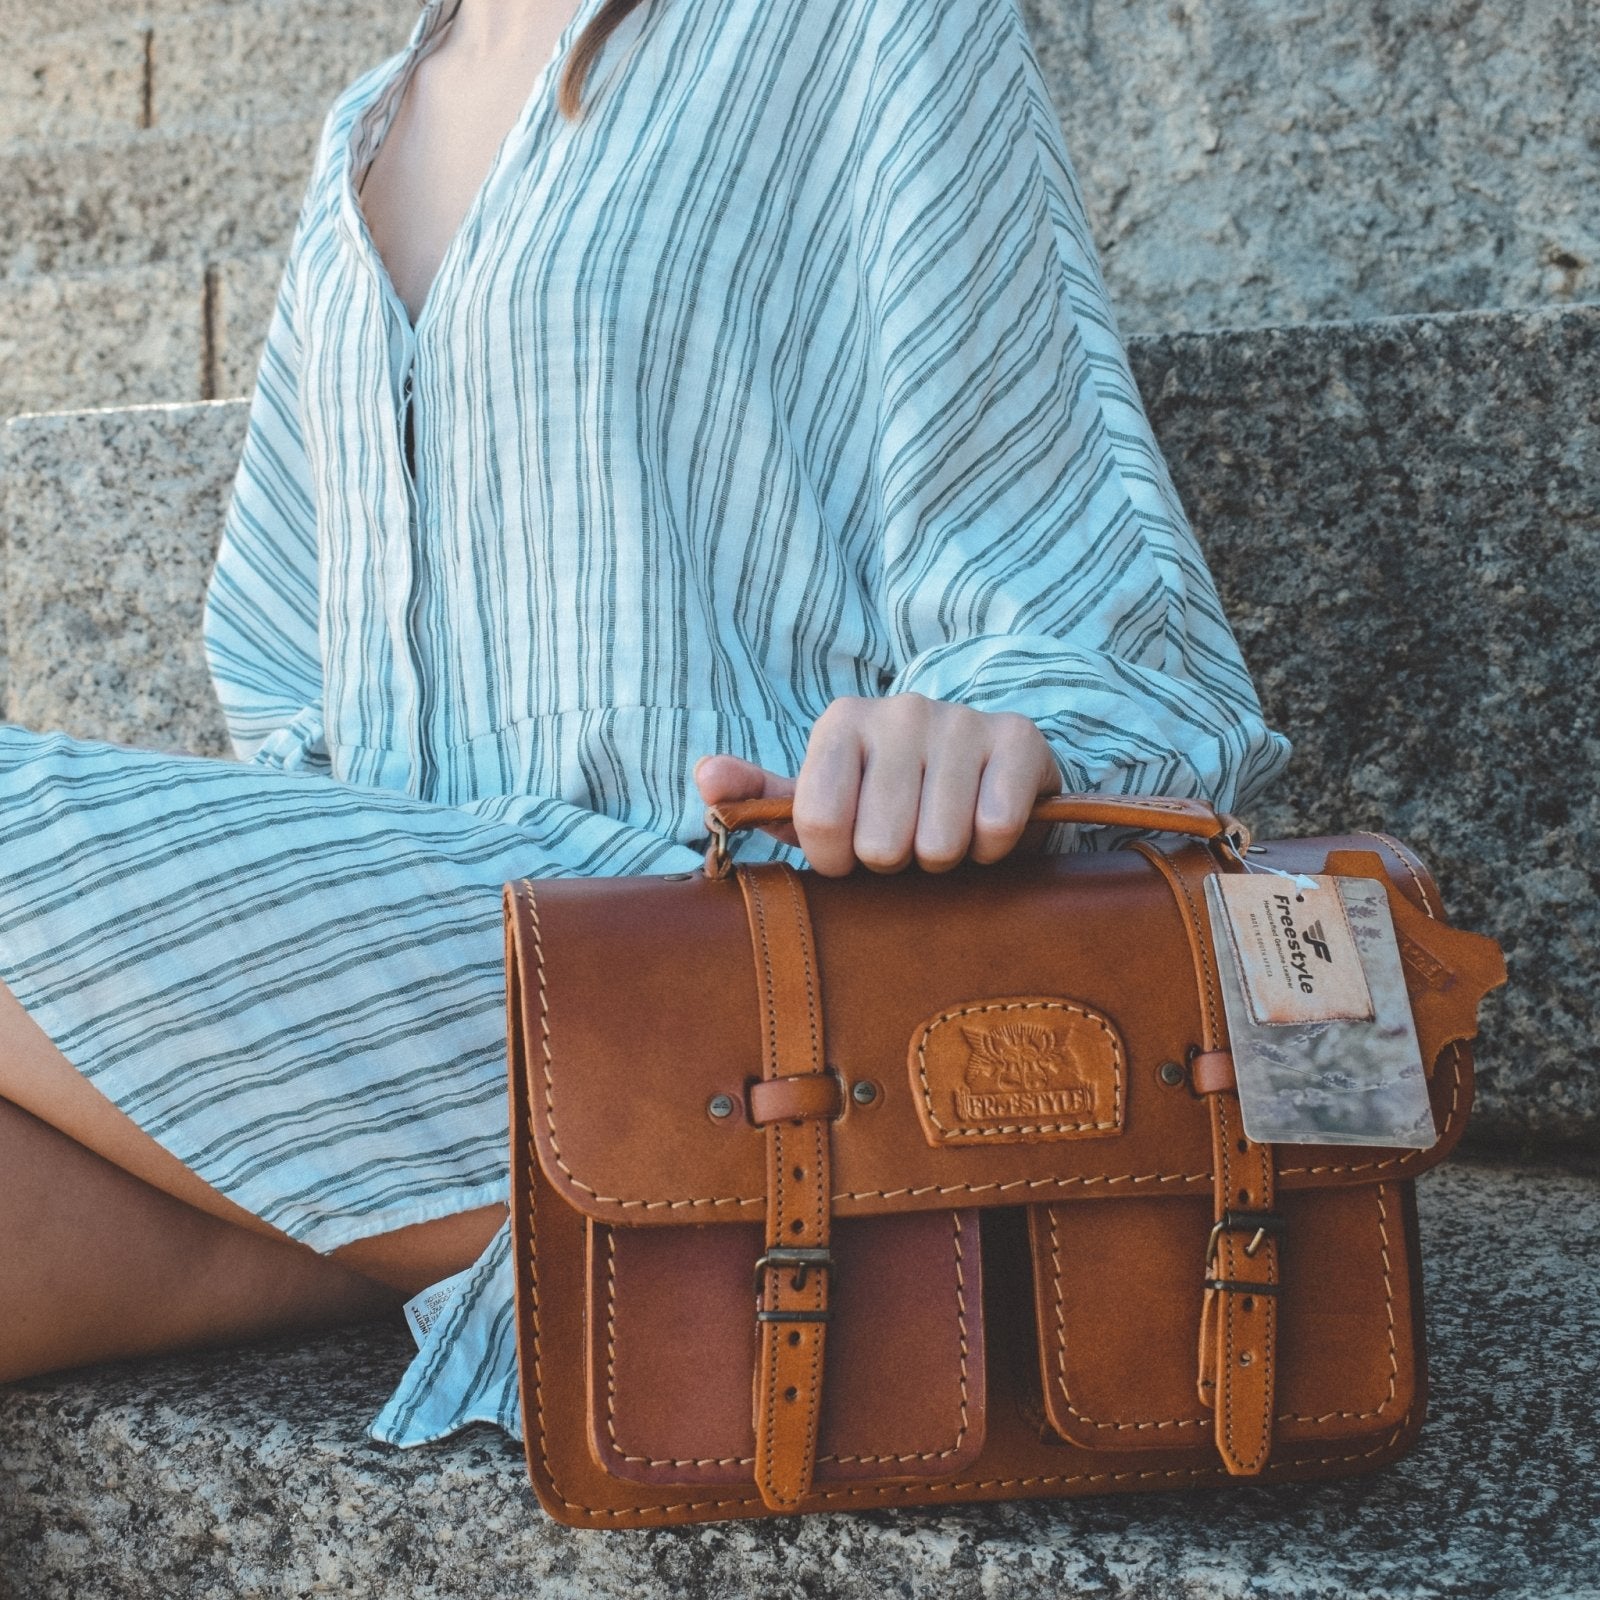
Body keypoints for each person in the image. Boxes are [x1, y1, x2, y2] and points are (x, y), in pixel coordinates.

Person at [0, 0, 1291, 1448]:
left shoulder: (862, 26)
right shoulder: (361, 127)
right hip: (424, 960)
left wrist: (986, 731)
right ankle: (455, 1204)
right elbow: (292, 669)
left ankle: (565, 1187)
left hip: (733, 970)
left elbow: (1095, 604)